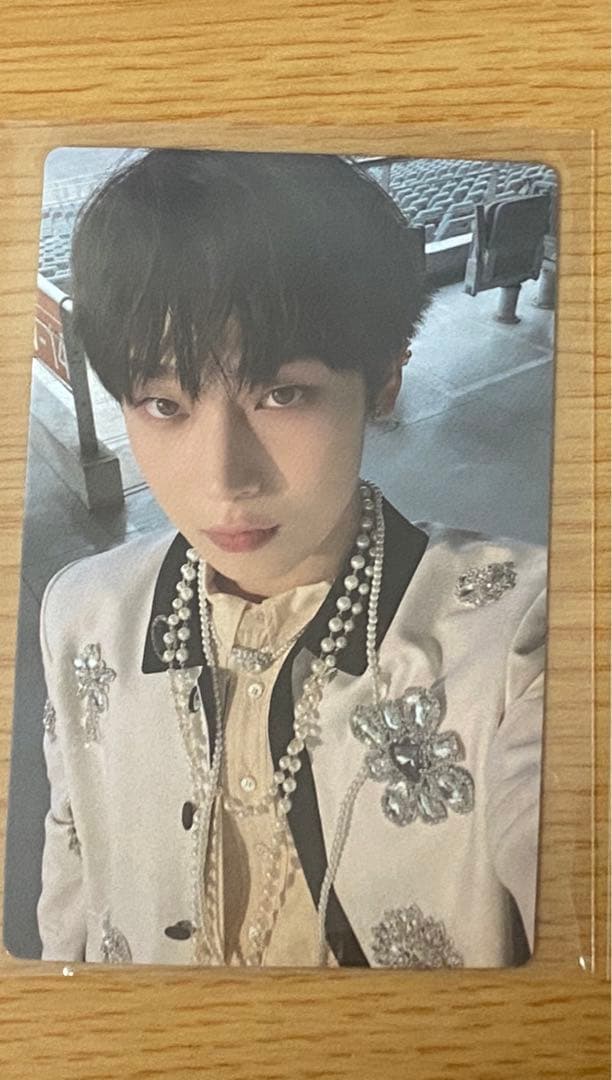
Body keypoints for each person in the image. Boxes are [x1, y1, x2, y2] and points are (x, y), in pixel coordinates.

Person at [37, 149, 546, 968]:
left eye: (281, 394)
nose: (223, 479)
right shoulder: (83, 613)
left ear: (384, 380)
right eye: (165, 405)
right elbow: (71, 901)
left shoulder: (520, 641)